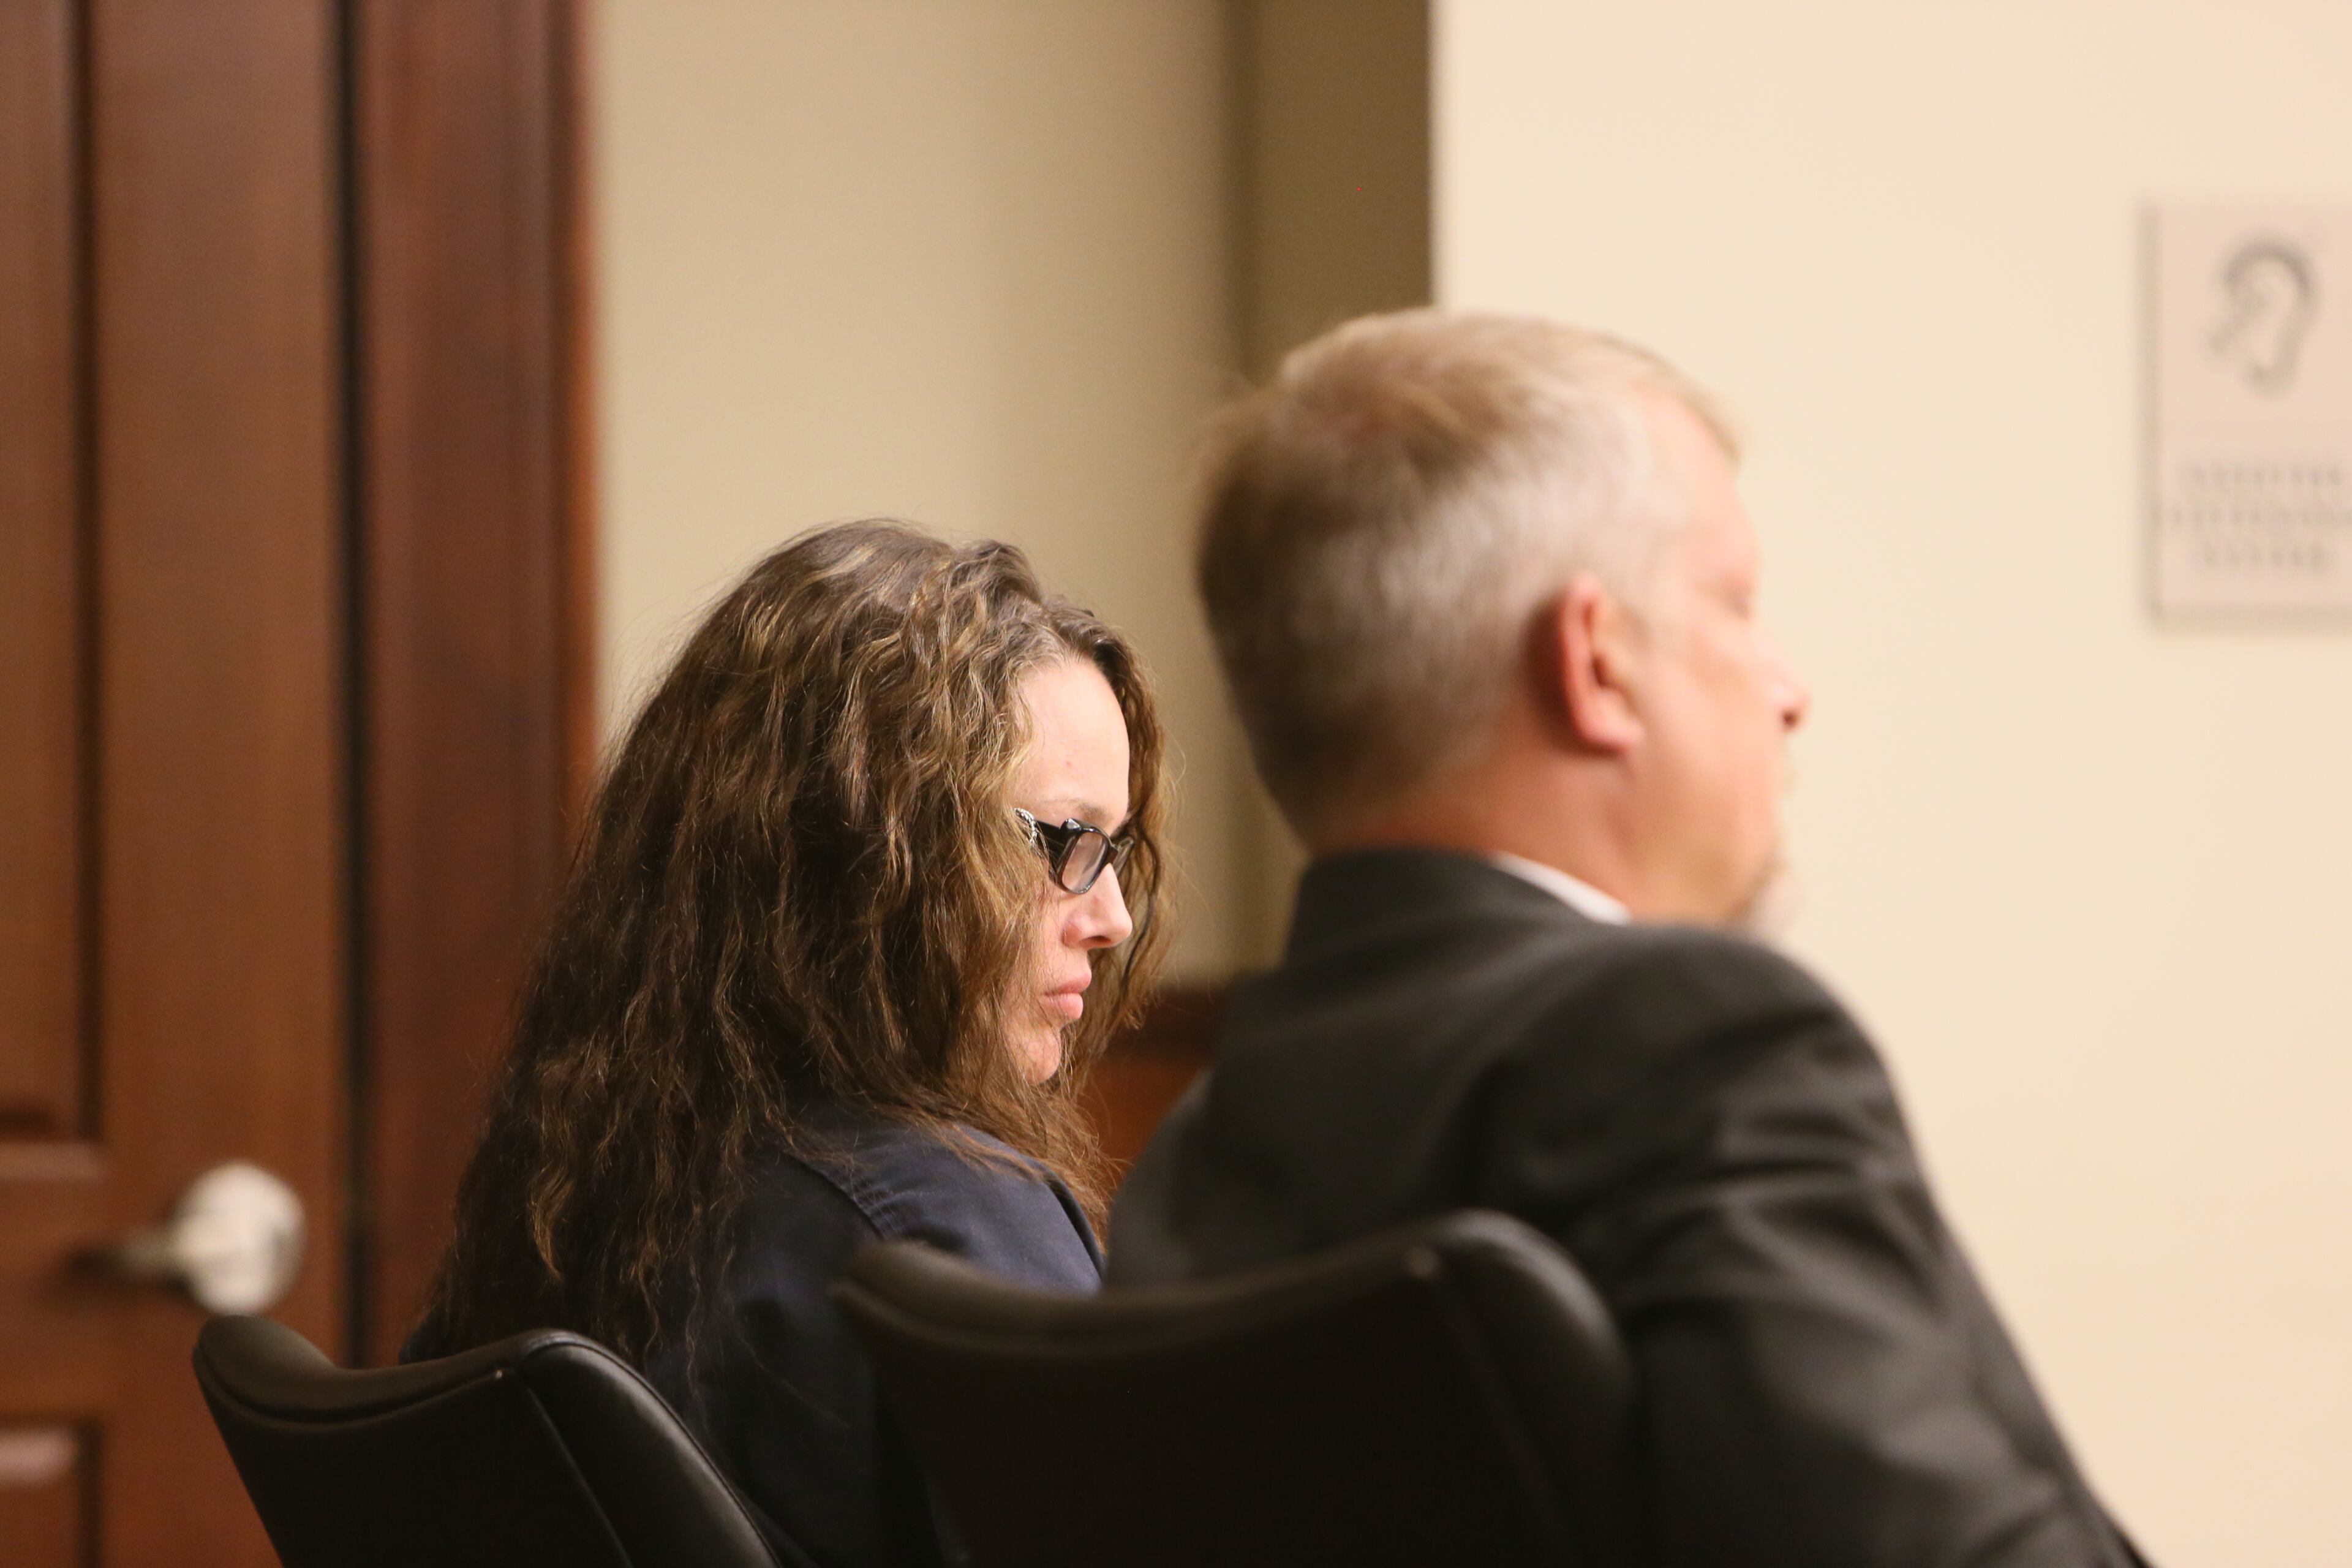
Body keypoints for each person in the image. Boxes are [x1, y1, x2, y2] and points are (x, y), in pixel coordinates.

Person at [1107, 311, 2147, 1567]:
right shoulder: (1699, 1050)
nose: (1790, 688)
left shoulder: (1193, 1163)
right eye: (1736, 602)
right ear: (1596, 663)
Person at [410, 521, 1167, 1567]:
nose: (1112, 917)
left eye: (1115, 849)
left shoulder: (557, 1210)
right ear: (865, 849)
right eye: (1068, 842)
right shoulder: (942, 1233)